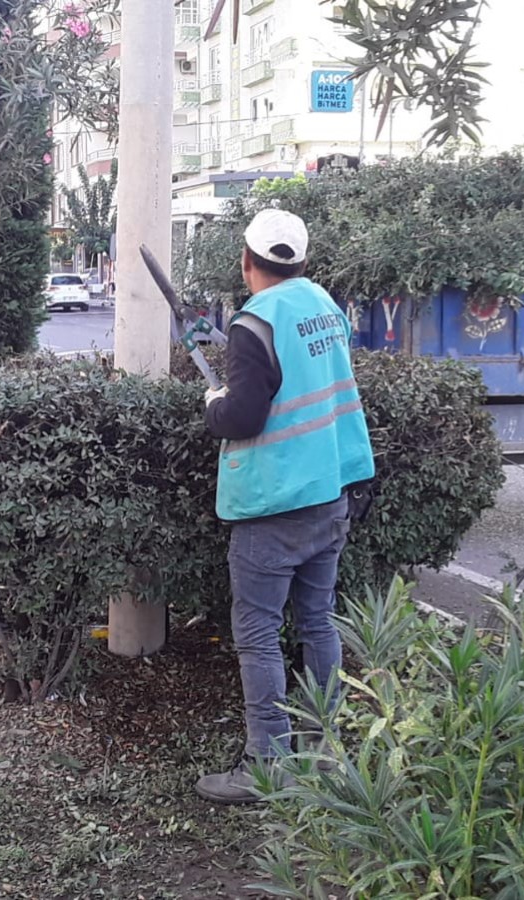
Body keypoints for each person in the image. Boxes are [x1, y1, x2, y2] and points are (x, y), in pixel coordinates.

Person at [194, 209, 376, 805]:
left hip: (276, 502)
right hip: (332, 489)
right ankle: (326, 746)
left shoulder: (255, 323)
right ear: (300, 263)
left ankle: (266, 765)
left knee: (258, 633)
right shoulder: (323, 305)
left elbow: (244, 416)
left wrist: (214, 404)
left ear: (247, 263)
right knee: (317, 619)